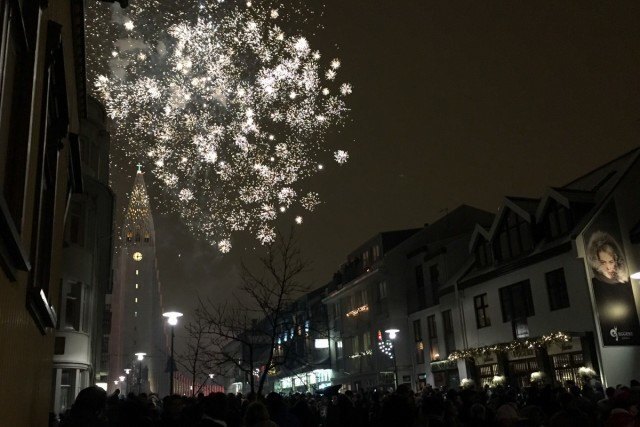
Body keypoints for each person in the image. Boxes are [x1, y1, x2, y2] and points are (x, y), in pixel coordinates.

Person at [587, 231, 640, 345]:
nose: (607, 267)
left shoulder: (626, 282)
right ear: (597, 263)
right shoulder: (597, 283)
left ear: (616, 261)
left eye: (610, 261)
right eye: (602, 262)